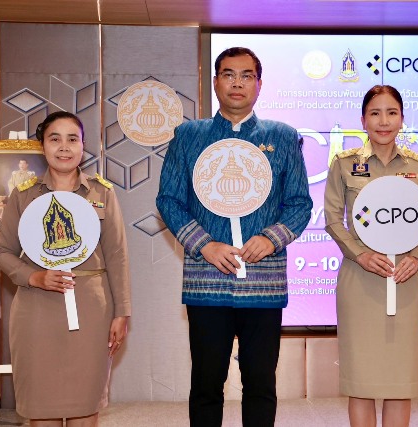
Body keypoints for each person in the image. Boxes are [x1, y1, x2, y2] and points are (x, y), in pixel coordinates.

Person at [156, 47, 312, 427]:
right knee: (206, 384)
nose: (237, 83)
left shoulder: (283, 137)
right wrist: (205, 245)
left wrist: (271, 238)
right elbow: (169, 200)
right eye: (228, 74)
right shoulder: (188, 136)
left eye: (246, 76)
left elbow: (299, 204)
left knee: (260, 384)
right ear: (216, 82)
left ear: (259, 85)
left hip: (264, 283)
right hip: (207, 281)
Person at [0, 111, 131, 427]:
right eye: (55, 139)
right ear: (42, 146)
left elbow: (118, 256)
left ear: (83, 146)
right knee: (42, 408)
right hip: (36, 312)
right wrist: (34, 277)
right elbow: (2, 252)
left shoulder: (102, 193)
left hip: (92, 311)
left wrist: (122, 312)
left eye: (73, 139)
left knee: (86, 406)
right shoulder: (24, 195)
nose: (64, 147)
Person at [324, 85, 418, 427]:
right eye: (375, 113)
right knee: (360, 382)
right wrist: (360, 255)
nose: (383, 121)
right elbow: (333, 219)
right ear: (363, 120)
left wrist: (416, 257)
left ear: (402, 119)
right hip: (359, 279)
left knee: (400, 382)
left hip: (405, 278)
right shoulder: (344, 164)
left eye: (391, 113)